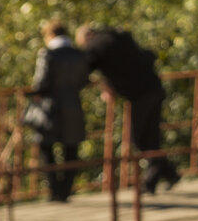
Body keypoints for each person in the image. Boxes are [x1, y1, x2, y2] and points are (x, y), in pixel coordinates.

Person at [76, 25, 181, 195]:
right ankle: (167, 175)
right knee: (151, 136)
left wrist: (104, 85)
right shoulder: (118, 35)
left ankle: (153, 180)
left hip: (139, 94)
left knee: (138, 138)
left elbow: (84, 74)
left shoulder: (94, 48)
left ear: (85, 39)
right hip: (154, 86)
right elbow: (125, 62)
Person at [27, 20, 89, 202]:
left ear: (49, 35)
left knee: (46, 147)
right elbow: (83, 80)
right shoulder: (78, 54)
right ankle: (66, 190)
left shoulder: (48, 54)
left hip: (50, 108)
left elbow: (41, 83)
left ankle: (54, 190)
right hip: (73, 105)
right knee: (71, 148)